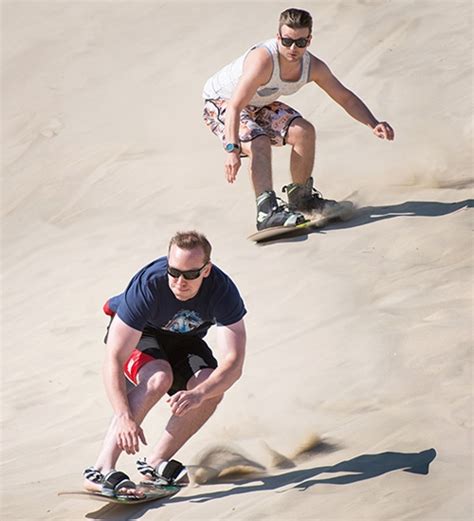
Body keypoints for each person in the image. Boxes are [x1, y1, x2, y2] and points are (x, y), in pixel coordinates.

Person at [83, 231, 247, 499]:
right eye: (174, 271)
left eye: (191, 274)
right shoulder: (149, 284)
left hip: (183, 340)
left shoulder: (222, 291)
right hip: (142, 334)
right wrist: (124, 416)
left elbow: (234, 363)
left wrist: (199, 394)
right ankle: (101, 468)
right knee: (159, 378)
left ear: (207, 270)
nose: (181, 281)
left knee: (211, 386)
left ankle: (154, 464)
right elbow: (113, 357)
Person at [203, 7, 395, 231]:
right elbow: (235, 106)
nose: (293, 48)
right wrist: (231, 150)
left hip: (258, 104)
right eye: (287, 41)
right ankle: (266, 213)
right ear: (278, 38)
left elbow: (344, 97)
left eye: (300, 42)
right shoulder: (263, 61)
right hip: (222, 102)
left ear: (309, 40)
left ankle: (302, 200)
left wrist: (373, 122)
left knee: (304, 131)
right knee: (259, 141)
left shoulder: (312, 67)